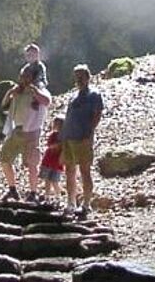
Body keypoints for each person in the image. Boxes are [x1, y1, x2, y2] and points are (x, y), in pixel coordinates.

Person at [0, 69, 52, 202]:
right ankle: (12, 189)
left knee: (32, 163)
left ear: (33, 78)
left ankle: (33, 193)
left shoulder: (39, 89)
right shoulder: (17, 91)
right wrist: (10, 92)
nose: (24, 79)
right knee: (5, 159)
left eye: (27, 76)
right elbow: (4, 105)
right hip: (16, 130)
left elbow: (47, 101)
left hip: (32, 131)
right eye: (22, 76)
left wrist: (35, 91)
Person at [61, 64, 104, 216]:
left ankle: (86, 204)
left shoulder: (94, 95)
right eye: (76, 76)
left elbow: (97, 115)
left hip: (83, 138)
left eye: (81, 76)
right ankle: (70, 203)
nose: (78, 79)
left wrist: (89, 134)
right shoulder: (73, 96)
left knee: (85, 171)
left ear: (87, 77)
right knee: (69, 171)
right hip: (69, 137)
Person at [39, 115, 65, 204]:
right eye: (56, 124)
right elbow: (50, 145)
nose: (57, 126)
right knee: (47, 180)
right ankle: (47, 197)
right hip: (48, 160)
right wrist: (57, 144)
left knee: (55, 181)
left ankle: (58, 197)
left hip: (57, 163)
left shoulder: (65, 137)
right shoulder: (53, 135)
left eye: (60, 124)